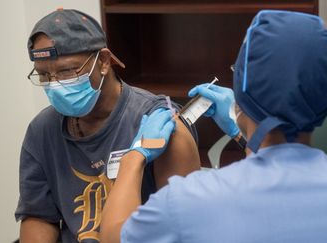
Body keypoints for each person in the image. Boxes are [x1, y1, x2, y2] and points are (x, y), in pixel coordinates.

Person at [99, 10, 327, 243]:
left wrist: (133, 158)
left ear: (243, 91)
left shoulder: (189, 201)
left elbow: (114, 237)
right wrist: (242, 131)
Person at [14, 9, 201, 243]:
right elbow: (38, 216)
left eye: (67, 71)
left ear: (103, 61)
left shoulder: (159, 124)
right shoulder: (42, 130)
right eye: (44, 76)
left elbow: (182, 228)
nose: (55, 84)